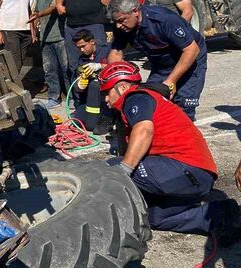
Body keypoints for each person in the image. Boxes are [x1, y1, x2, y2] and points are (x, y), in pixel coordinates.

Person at [99, 61, 241, 245]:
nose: (106, 100)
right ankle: (221, 215)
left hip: (187, 169)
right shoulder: (142, 100)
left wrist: (124, 171)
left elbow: (144, 130)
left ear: (123, 87)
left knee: (111, 169)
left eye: (107, 92)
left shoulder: (135, 97)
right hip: (193, 176)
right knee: (153, 217)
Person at [107, 0, 207, 120]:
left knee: (184, 103)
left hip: (190, 58)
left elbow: (191, 50)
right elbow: (116, 52)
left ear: (135, 12)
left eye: (122, 20)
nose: (118, 26)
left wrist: (171, 81)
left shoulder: (164, 20)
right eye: (115, 22)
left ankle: (182, 133)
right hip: (161, 63)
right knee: (149, 99)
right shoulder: (122, 27)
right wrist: (116, 81)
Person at [28, 0, 68, 108]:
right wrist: (34, 32)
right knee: (49, 70)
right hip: (45, 39)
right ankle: (54, 96)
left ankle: (71, 97)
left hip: (60, 37)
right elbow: (36, 13)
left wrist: (38, 15)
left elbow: (53, 8)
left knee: (66, 69)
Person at [71, 29, 111, 134]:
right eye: (79, 47)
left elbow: (120, 66)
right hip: (92, 98)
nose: (82, 50)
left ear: (92, 41)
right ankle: (92, 116)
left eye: (84, 46)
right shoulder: (82, 59)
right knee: (78, 122)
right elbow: (78, 82)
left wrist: (100, 66)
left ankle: (110, 116)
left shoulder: (106, 50)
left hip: (108, 95)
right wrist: (80, 86)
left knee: (95, 84)